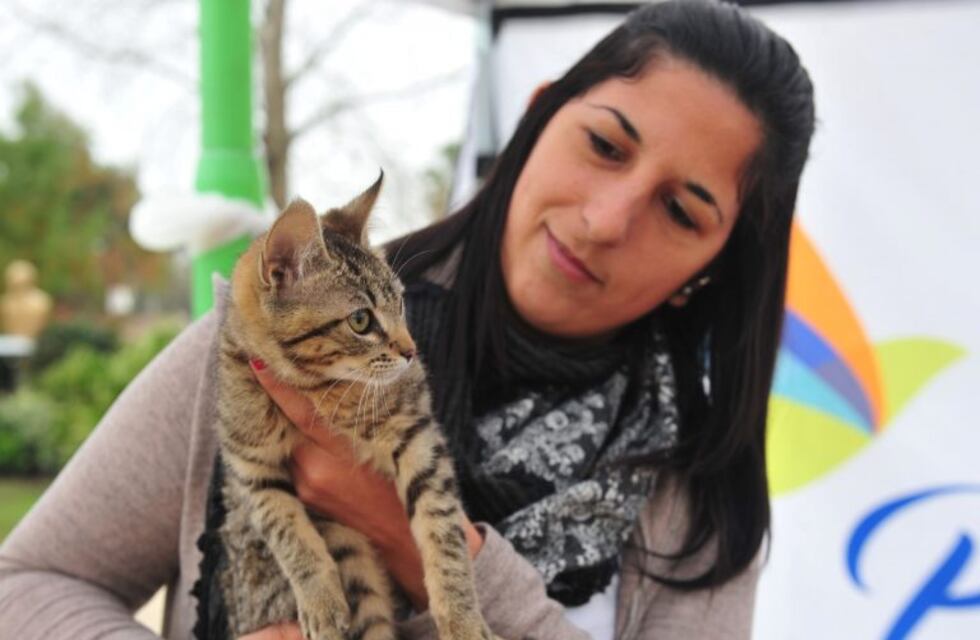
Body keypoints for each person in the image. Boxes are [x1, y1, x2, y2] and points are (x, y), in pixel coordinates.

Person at [0, 2, 815, 639]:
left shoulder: (694, 496)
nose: (606, 219)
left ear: (710, 268)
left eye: (680, 211)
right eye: (604, 145)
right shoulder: (275, 341)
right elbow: (29, 583)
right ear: (536, 117)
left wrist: (421, 544)